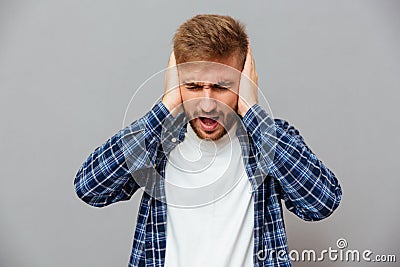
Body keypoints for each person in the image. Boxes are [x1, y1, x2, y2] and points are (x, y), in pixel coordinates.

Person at [74, 14, 342, 267]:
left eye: (221, 86)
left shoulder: (270, 139)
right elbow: (91, 187)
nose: (207, 104)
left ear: (244, 82)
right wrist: (166, 106)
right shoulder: (158, 141)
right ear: (177, 83)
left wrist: (252, 111)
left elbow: (322, 202)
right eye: (192, 86)